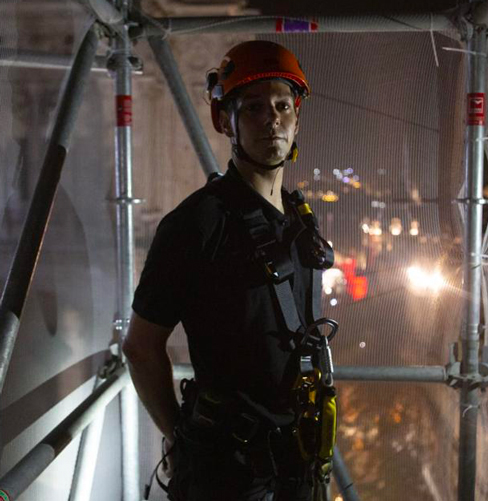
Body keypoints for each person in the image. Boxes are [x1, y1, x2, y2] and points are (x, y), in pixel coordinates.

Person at [123, 40, 335, 501]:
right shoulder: (196, 225)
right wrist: (179, 440)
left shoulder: (299, 221)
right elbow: (141, 347)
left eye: (282, 105)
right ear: (226, 122)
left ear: (297, 117)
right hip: (226, 473)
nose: (272, 118)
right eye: (254, 107)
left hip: (297, 464)